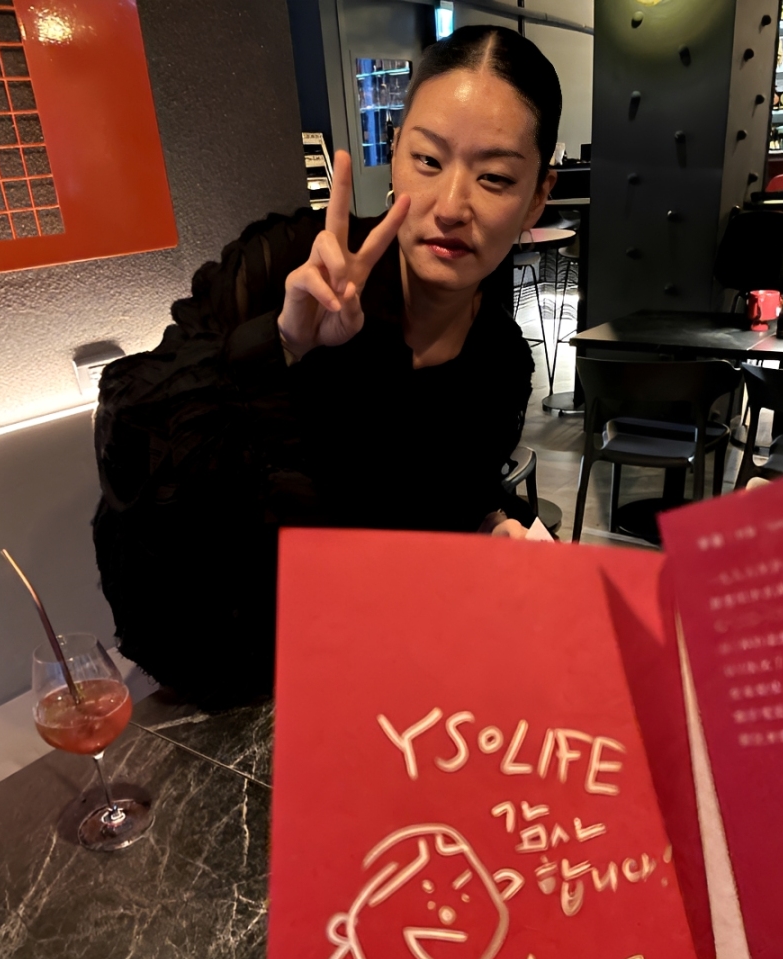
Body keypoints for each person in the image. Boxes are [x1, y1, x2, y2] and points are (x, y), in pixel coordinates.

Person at [93, 26, 561, 709]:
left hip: (373, 675)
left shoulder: (498, 361)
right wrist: (279, 343)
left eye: (494, 178)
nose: (451, 206)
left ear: (538, 196)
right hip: (226, 673)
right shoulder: (288, 264)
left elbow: (446, 498)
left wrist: (491, 526)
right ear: (394, 153)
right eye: (428, 160)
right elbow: (129, 441)